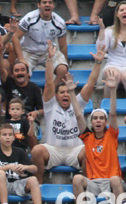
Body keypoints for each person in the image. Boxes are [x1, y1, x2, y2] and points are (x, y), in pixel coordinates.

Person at [30, 43, 90, 184]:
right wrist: (49, 59)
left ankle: (88, 184)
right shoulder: (51, 105)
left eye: (67, 92)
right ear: (56, 96)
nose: (65, 94)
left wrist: (98, 63)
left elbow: (91, 84)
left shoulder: (77, 103)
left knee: (90, 150)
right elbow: (49, 83)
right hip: (53, 150)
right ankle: (38, 184)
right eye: (61, 92)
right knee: (36, 150)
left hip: (75, 150)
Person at [73, 70, 124, 204]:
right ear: (91, 122)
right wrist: (71, 93)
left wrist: (112, 90)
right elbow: (78, 115)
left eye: (102, 118)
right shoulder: (87, 137)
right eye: (95, 118)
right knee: (77, 178)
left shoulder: (111, 135)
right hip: (94, 183)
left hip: (112, 181)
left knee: (114, 179)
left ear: (106, 122)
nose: (98, 121)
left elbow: (112, 114)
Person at [0, 124, 43, 204]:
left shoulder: (19, 151)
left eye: (10, 135)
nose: (7, 137)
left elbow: (35, 168)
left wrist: (25, 167)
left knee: (33, 180)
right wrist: (8, 167)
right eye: (4, 135)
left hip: (17, 183)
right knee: (0, 173)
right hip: (0, 185)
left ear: (14, 137)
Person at [14, 0, 69, 86]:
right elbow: (15, 37)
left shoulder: (60, 22)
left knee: (63, 69)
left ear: (53, 5)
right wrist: (21, 59)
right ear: (38, 5)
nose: (47, 5)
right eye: (44, 2)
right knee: (22, 72)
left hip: (48, 52)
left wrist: (66, 67)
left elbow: (63, 46)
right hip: (28, 51)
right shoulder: (29, 18)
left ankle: (51, 92)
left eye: (50, 2)